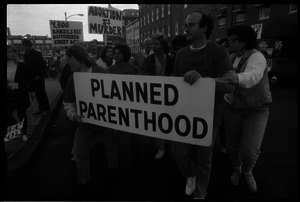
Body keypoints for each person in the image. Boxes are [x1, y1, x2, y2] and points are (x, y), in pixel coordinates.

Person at [171, 11, 235, 199]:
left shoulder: (218, 52)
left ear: (204, 27)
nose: (185, 28)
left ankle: (200, 193)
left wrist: (204, 81)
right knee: (178, 152)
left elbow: (230, 85)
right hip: (183, 115)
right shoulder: (181, 54)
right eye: (185, 25)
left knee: (204, 160)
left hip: (209, 117)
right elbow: (174, 83)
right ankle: (190, 175)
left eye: (190, 25)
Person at [222, 24, 272, 193]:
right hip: (233, 107)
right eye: (229, 40)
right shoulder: (231, 57)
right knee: (232, 146)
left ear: (245, 41)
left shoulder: (257, 57)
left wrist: (236, 77)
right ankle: (237, 168)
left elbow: (253, 76)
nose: (230, 43)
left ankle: (248, 171)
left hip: (256, 108)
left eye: (234, 40)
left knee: (250, 150)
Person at [63, 44, 119, 185]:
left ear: (80, 58)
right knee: (80, 154)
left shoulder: (101, 72)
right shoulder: (72, 79)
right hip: (84, 123)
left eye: (70, 58)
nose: (67, 61)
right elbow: (68, 103)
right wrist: (74, 116)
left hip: (106, 123)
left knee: (111, 151)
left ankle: (114, 174)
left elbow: (117, 95)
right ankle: (83, 182)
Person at [141, 33, 174, 159]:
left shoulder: (171, 59)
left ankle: (162, 146)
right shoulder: (148, 60)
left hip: (168, 95)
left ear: (163, 45)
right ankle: (160, 143)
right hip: (153, 94)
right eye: (152, 44)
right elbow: (142, 75)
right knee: (157, 120)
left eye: (156, 44)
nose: (153, 46)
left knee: (164, 120)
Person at [7, 44, 35, 142]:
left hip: (20, 94)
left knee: (22, 114)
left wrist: (32, 92)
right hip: (8, 95)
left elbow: (27, 81)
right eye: (9, 51)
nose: (12, 54)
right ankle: (16, 130)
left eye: (14, 52)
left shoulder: (21, 66)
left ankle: (24, 133)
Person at [22, 38, 50, 115]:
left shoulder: (37, 53)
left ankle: (46, 109)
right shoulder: (26, 55)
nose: (23, 48)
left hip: (38, 77)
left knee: (42, 93)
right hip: (31, 78)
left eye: (24, 46)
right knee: (37, 94)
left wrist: (39, 75)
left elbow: (42, 66)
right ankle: (41, 108)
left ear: (28, 46)